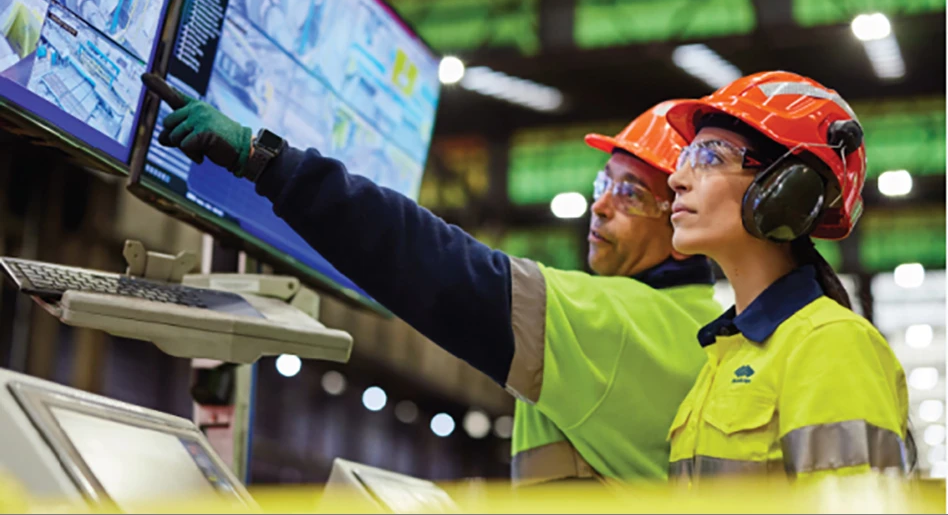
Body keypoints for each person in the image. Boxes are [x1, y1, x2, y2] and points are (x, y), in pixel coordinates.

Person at [141, 73, 721, 485]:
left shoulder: (621, 323)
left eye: (631, 194)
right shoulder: (703, 322)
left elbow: (432, 263)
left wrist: (268, 162)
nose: (600, 208)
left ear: (681, 213)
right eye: (603, 185)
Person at [662, 70, 914, 482]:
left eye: (710, 158)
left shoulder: (830, 345)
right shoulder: (724, 357)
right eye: (684, 160)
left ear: (786, 190)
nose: (676, 179)